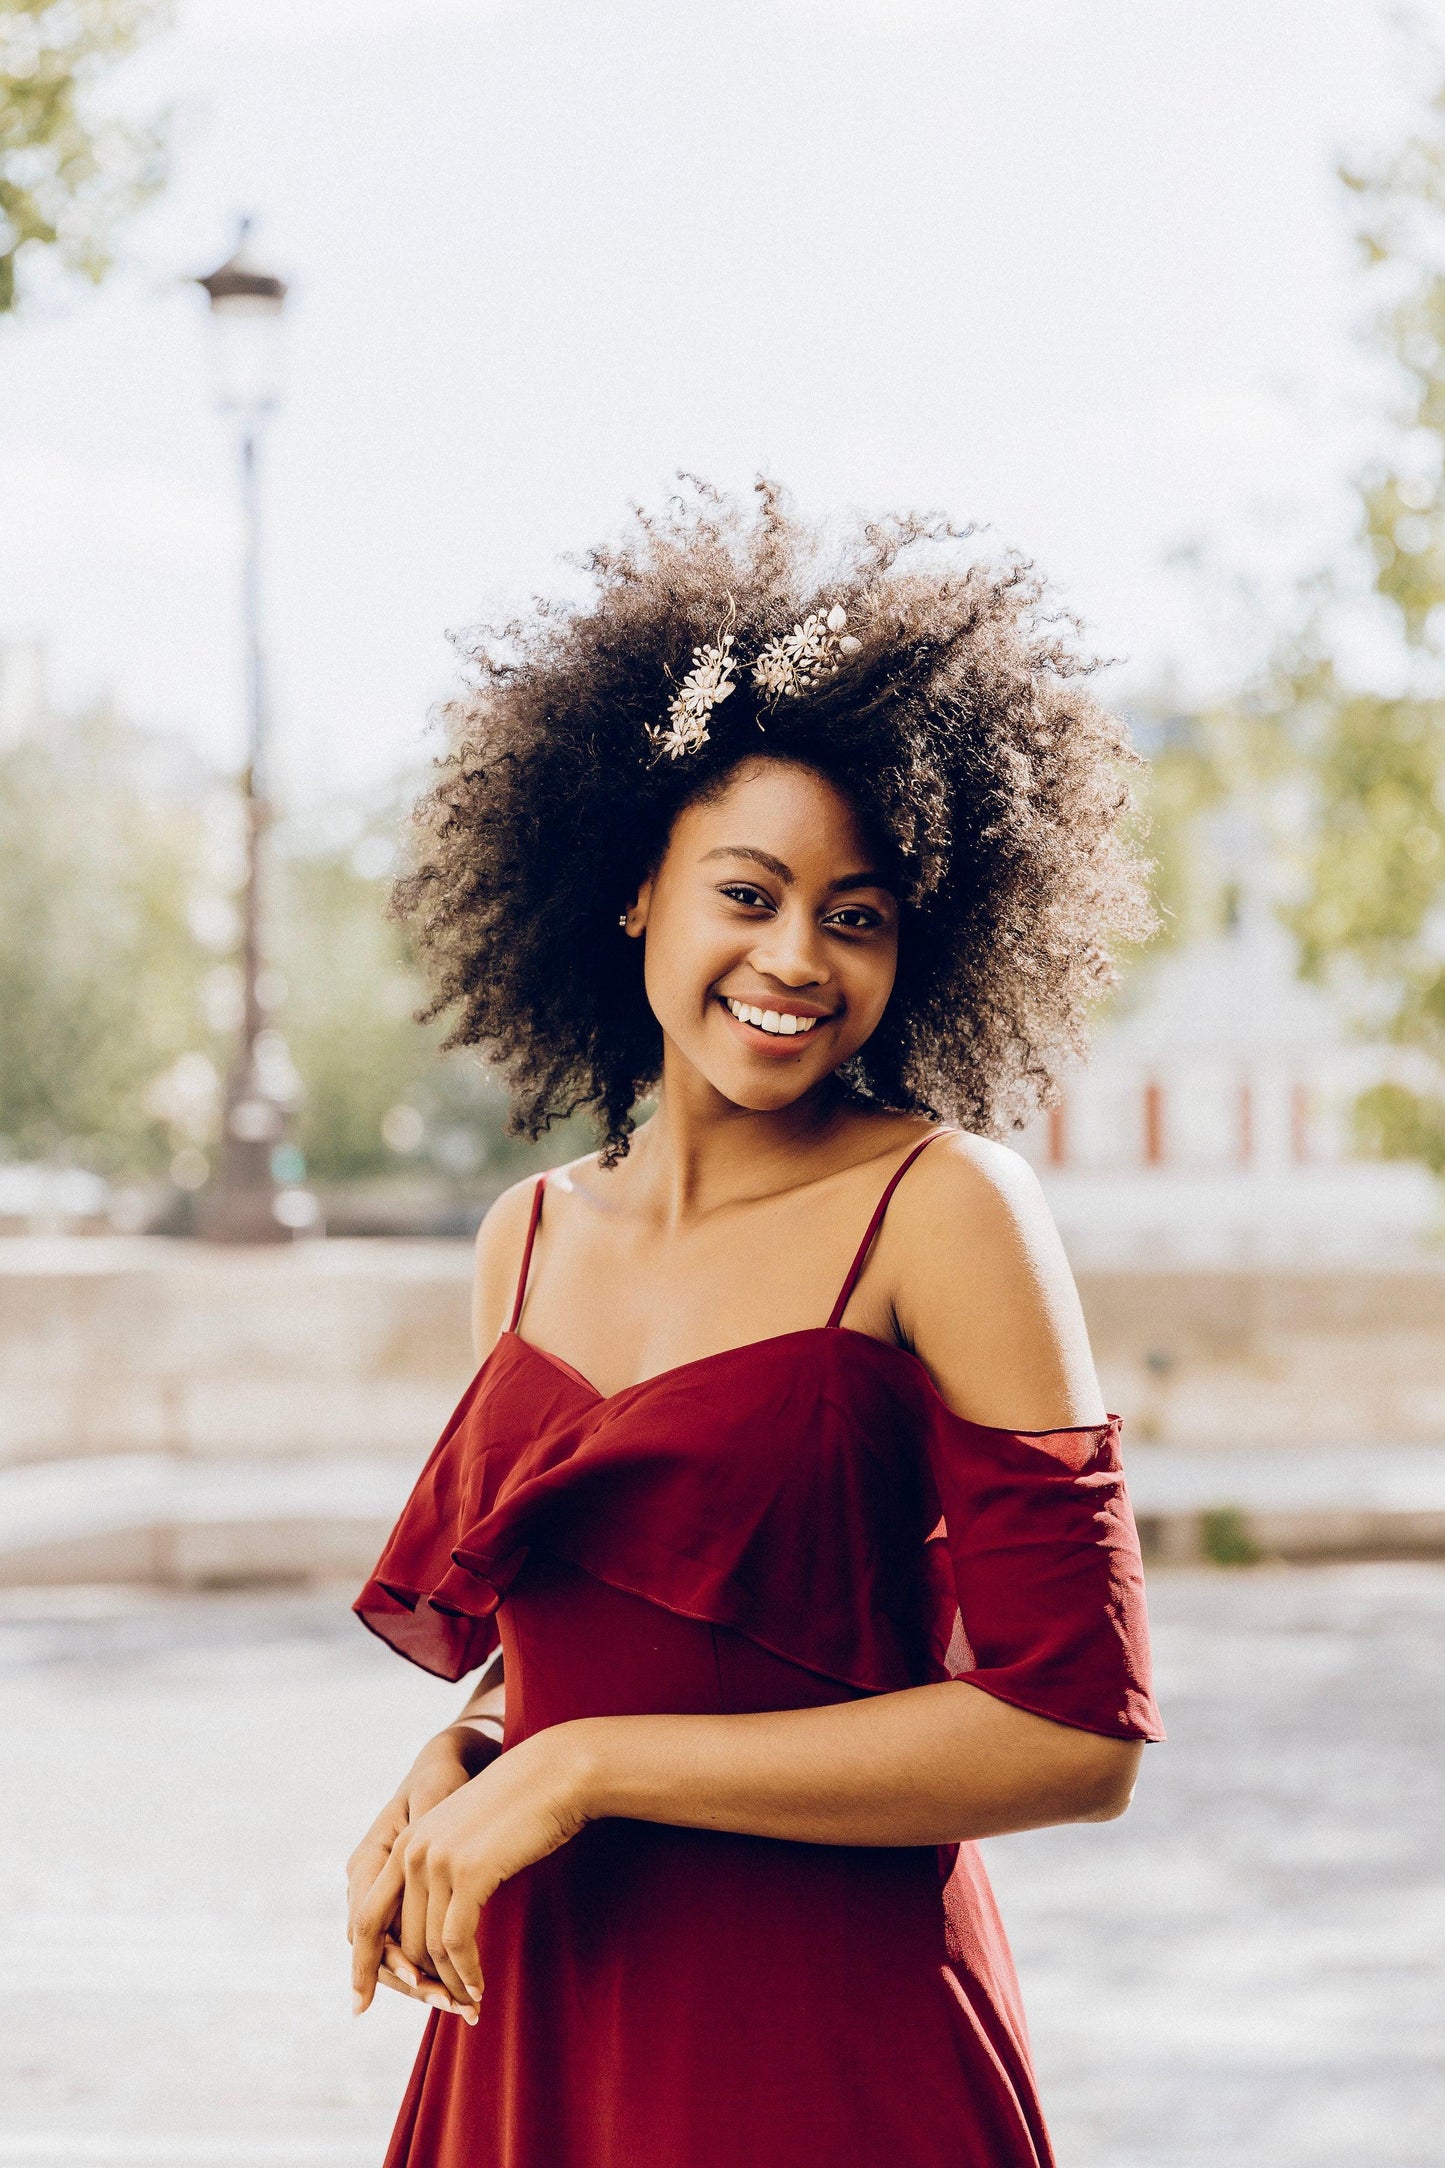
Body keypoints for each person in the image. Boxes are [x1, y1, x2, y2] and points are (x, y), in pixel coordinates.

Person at [347, 482, 1164, 2168]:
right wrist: (472, 1755)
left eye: (854, 913)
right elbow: (610, 1639)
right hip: (547, 2019)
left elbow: (1073, 1734)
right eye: (747, 892)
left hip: (825, 2033)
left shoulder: (945, 1208)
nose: (797, 957)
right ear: (632, 891)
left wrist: (580, 1778)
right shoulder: (524, 1238)